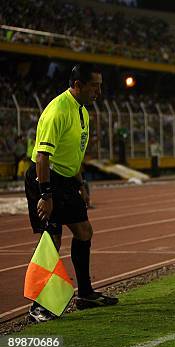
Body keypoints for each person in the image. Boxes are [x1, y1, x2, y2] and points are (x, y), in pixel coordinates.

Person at [24, 63, 118, 322]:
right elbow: (43, 157)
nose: (98, 91)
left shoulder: (83, 111)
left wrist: (81, 184)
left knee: (84, 231)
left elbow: (74, 154)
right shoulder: (58, 110)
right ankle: (38, 306)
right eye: (94, 86)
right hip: (44, 178)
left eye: (100, 85)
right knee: (51, 239)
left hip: (66, 180)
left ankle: (85, 294)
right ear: (77, 85)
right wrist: (46, 195)